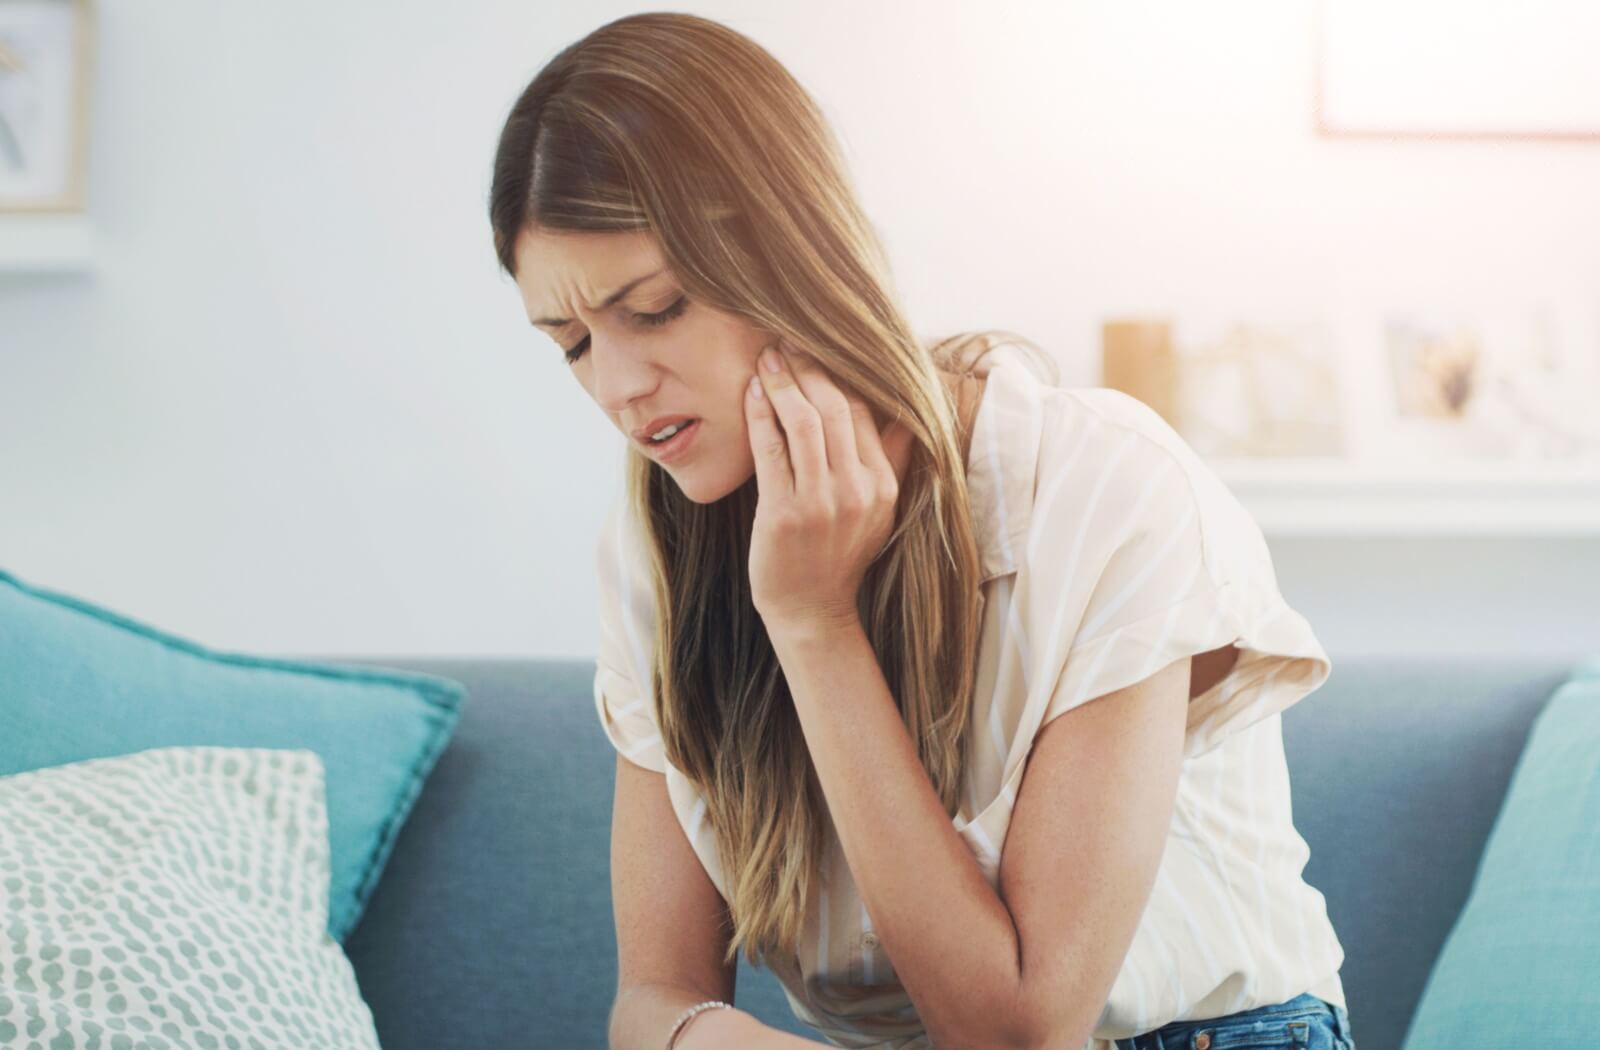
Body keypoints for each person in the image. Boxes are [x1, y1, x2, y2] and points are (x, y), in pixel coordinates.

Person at [487, 12, 1357, 1050]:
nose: (618, 387)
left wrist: (812, 625)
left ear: (783, 248)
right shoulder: (654, 551)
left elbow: (1023, 1029)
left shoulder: (1100, 487)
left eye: (656, 309)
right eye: (573, 342)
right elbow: (655, 1000)